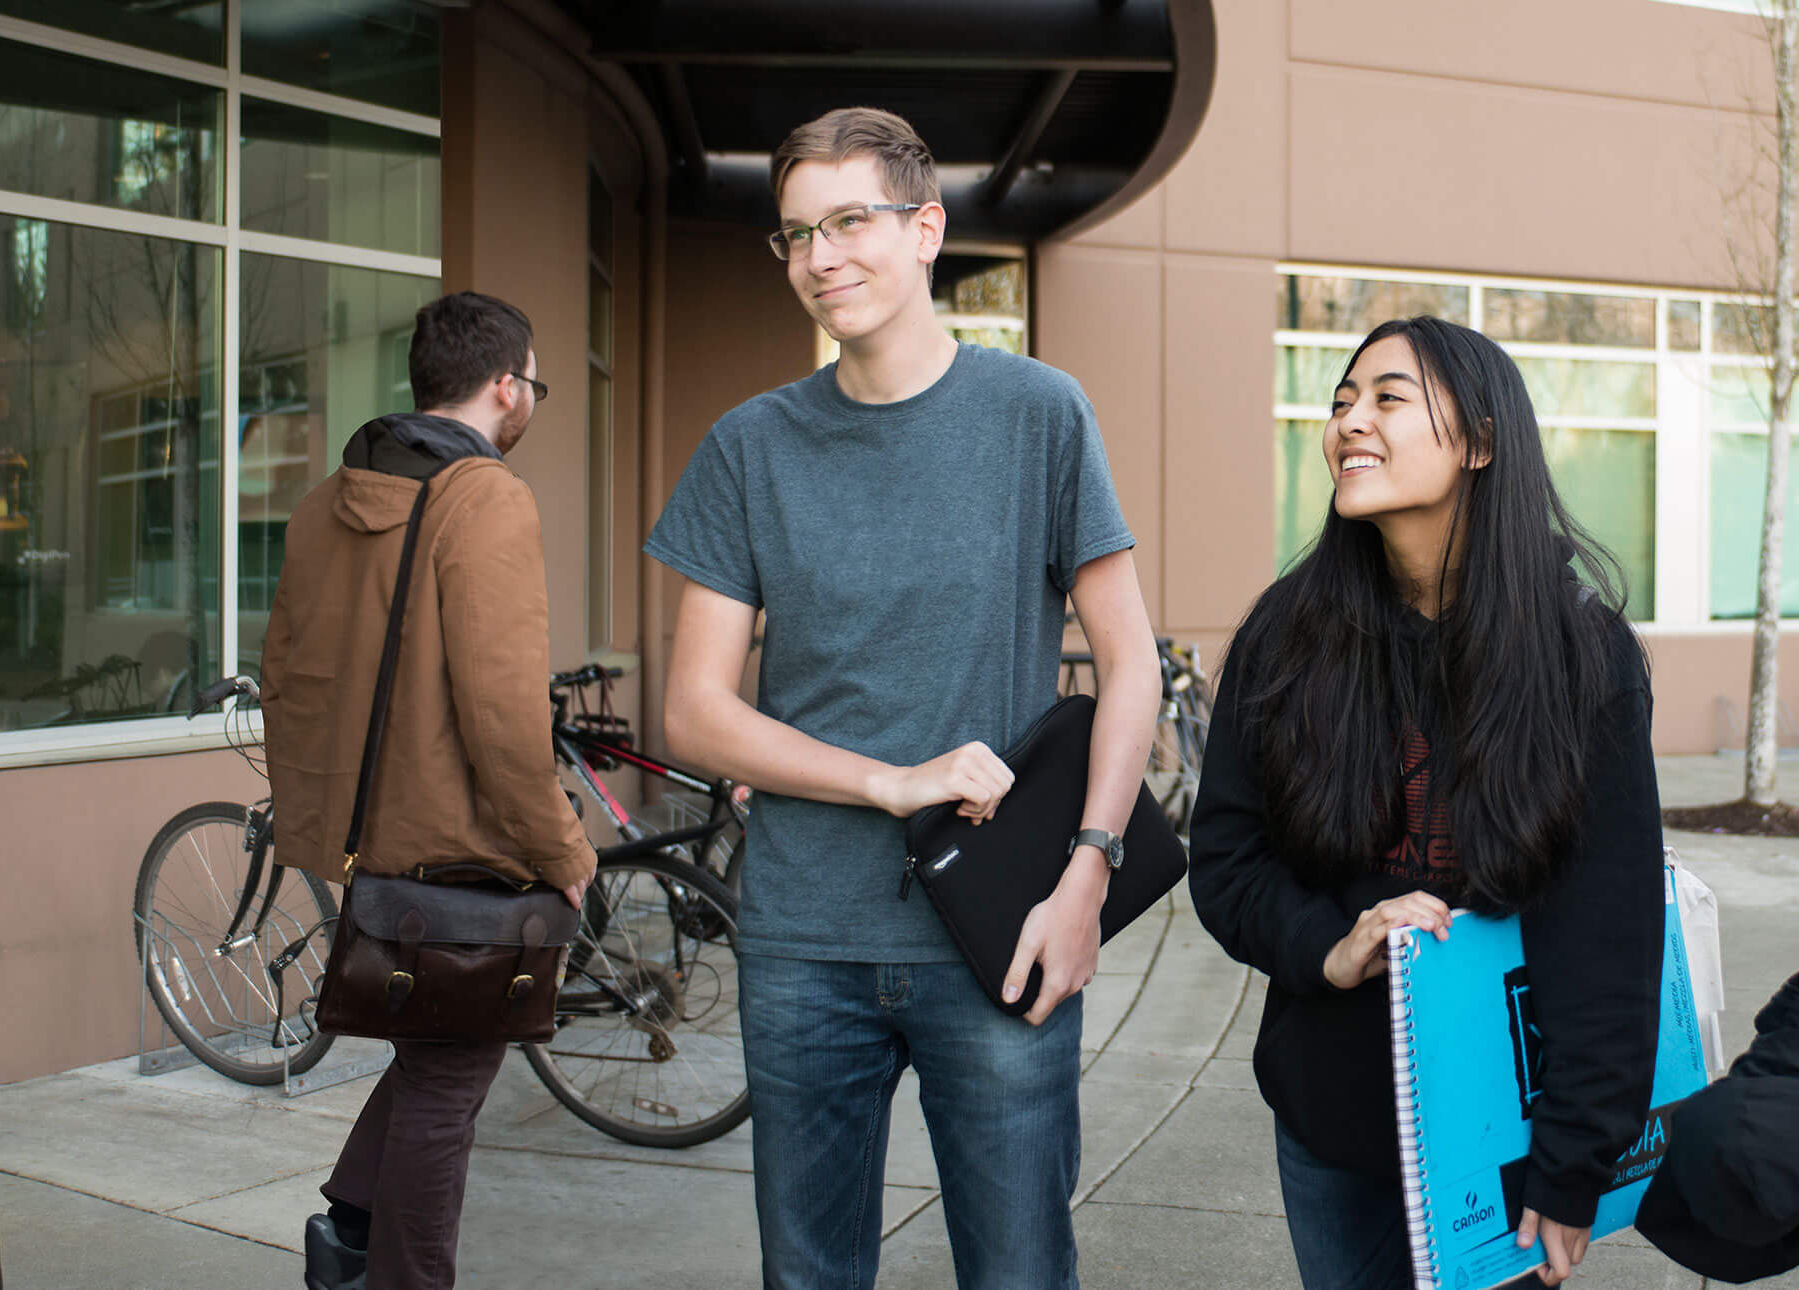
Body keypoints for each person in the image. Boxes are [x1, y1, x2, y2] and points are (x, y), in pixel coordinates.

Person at [645, 107, 1160, 1289]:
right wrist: (892, 780)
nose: (819, 258)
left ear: (924, 229)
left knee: (1020, 1272)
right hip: (802, 943)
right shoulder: (748, 446)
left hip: (1001, 932)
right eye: (793, 236)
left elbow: (1128, 661)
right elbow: (696, 711)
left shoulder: (1039, 415)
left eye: (847, 222)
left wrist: (1089, 872)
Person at [1185, 316, 1662, 1290]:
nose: (1349, 420)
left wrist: (1574, 1158)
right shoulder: (1286, 635)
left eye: (1387, 397)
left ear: (1480, 441)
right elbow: (1226, 860)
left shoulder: (1580, 655)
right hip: (1331, 1115)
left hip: (1502, 1135)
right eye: (1340, 400)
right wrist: (1331, 942)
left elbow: (1609, 934)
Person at [259, 290, 599, 1290]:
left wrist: (332, 823)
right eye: (532, 383)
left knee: (430, 1056)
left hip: (377, 848)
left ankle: (347, 1234)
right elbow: (500, 711)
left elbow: (288, 673)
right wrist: (562, 849)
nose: (530, 400)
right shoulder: (486, 496)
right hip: (467, 853)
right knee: (449, 1084)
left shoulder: (329, 500)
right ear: (504, 386)